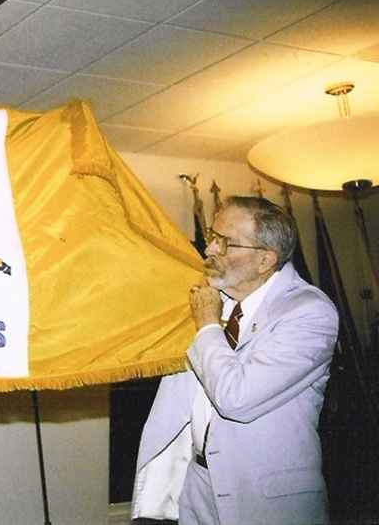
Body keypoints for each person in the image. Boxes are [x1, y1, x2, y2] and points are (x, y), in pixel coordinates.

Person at [131, 196, 338, 525]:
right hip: (197, 488)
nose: (210, 249)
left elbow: (236, 399)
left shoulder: (308, 312)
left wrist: (208, 326)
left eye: (224, 243)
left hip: (267, 501)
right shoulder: (211, 299)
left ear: (264, 260)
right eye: (212, 236)